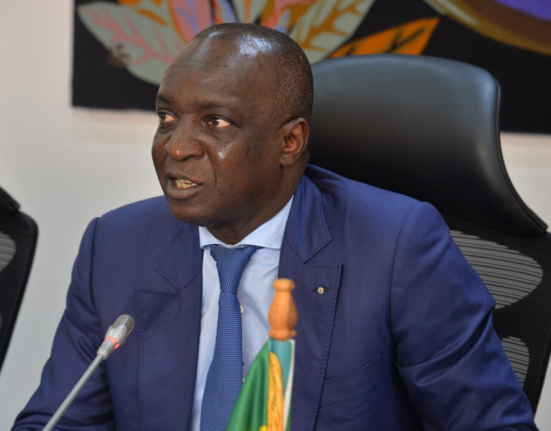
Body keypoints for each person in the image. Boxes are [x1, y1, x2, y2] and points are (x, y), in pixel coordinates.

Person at [13, 23, 538, 430]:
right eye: (167, 117)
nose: (176, 147)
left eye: (215, 122)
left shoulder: (396, 247)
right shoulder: (116, 246)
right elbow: (59, 420)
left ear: (290, 142)